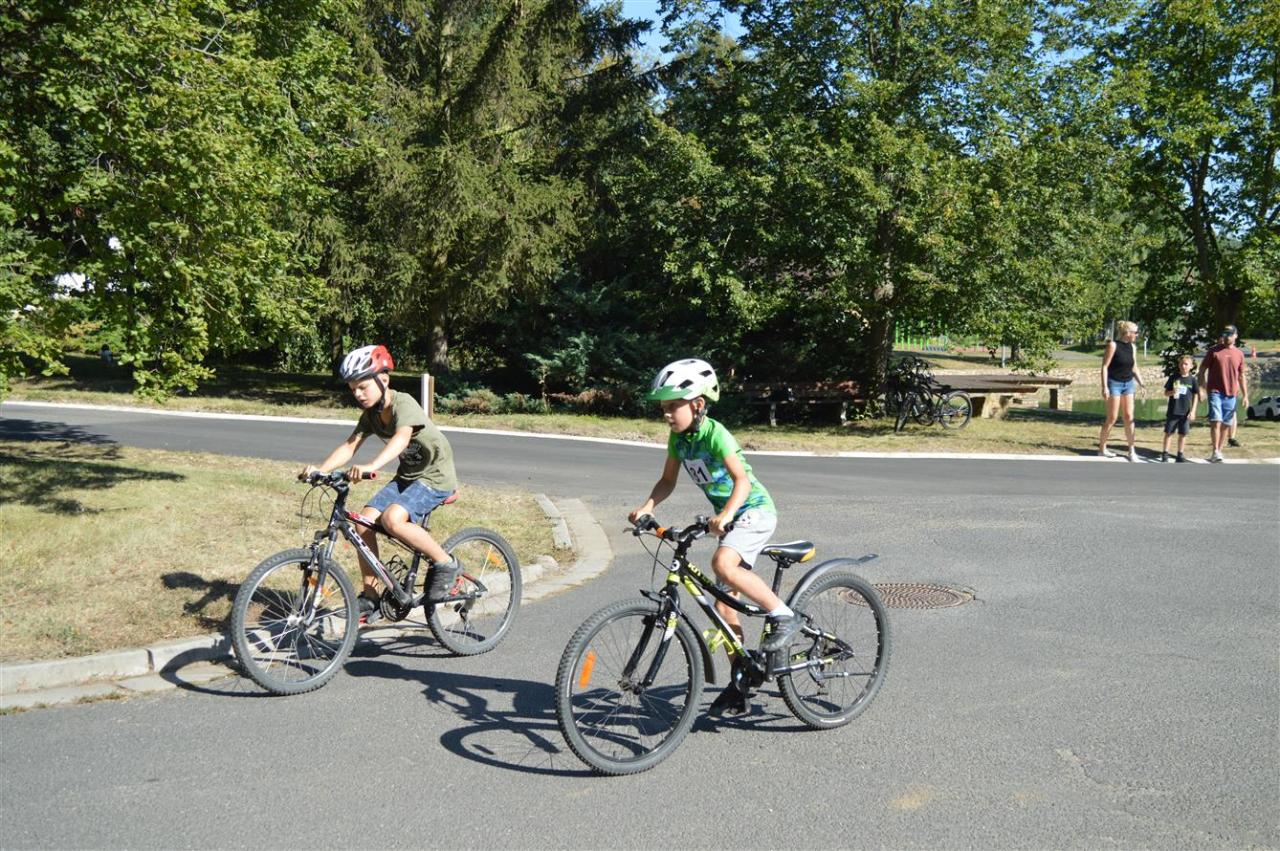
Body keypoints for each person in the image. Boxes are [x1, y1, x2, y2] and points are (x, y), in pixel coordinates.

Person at [628, 358, 800, 711]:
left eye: (673, 406)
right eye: (663, 408)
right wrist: (647, 507)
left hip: (753, 510)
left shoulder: (715, 434)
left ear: (698, 404)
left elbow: (742, 481)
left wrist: (726, 514)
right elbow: (668, 480)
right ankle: (742, 680)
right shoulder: (679, 440)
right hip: (730, 519)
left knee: (722, 563)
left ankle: (783, 615)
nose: (667, 414)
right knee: (723, 609)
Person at [301, 344, 460, 623]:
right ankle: (371, 596)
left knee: (392, 519)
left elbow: (401, 438)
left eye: (363, 387)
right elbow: (350, 445)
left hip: (436, 476)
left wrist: (372, 466)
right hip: (409, 476)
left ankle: (446, 564)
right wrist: (320, 470)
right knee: (363, 523)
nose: (358, 394)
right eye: (353, 389)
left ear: (383, 380)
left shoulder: (403, 403)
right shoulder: (371, 415)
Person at [1196, 325, 1248, 463]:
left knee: (1226, 423)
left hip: (1231, 394)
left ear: (1235, 336)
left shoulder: (1239, 354)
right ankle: (1215, 451)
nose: (1227, 337)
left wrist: (1245, 395)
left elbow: (1241, 376)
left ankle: (1219, 450)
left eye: (1230, 334)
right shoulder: (1214, 351)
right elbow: (1202, 370)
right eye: (1225, 334)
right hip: (1215, 392)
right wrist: (1202, 388)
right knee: (1216, 420)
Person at [1098, 320, 1146, 461]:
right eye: (1136, 332)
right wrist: (1104, 386)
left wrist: (1142, 384)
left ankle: (1131, 450)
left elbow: (1134, 367)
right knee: (1112, 418)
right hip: (1114, 383)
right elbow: (1105, 367)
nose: (1137, 335)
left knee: (1129, 417)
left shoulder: (1133, 347)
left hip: (1128, 384)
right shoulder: (1113, 345)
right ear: (1127, 333)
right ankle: (1102, 448)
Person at [1160, 355, 1197, 463]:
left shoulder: (1192, 380)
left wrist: (1193, 411)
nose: (1183, 366)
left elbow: (1195, 395)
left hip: (1185, 412)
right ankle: (1165, 454)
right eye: (1181, 364)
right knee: (1169, 433)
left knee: (1183, 434)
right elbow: (1166, 393)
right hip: (1173, 410)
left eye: (1186, 364)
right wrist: (1172, 392)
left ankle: (1180, 455)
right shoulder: (1174, 377)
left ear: (1191, 366)